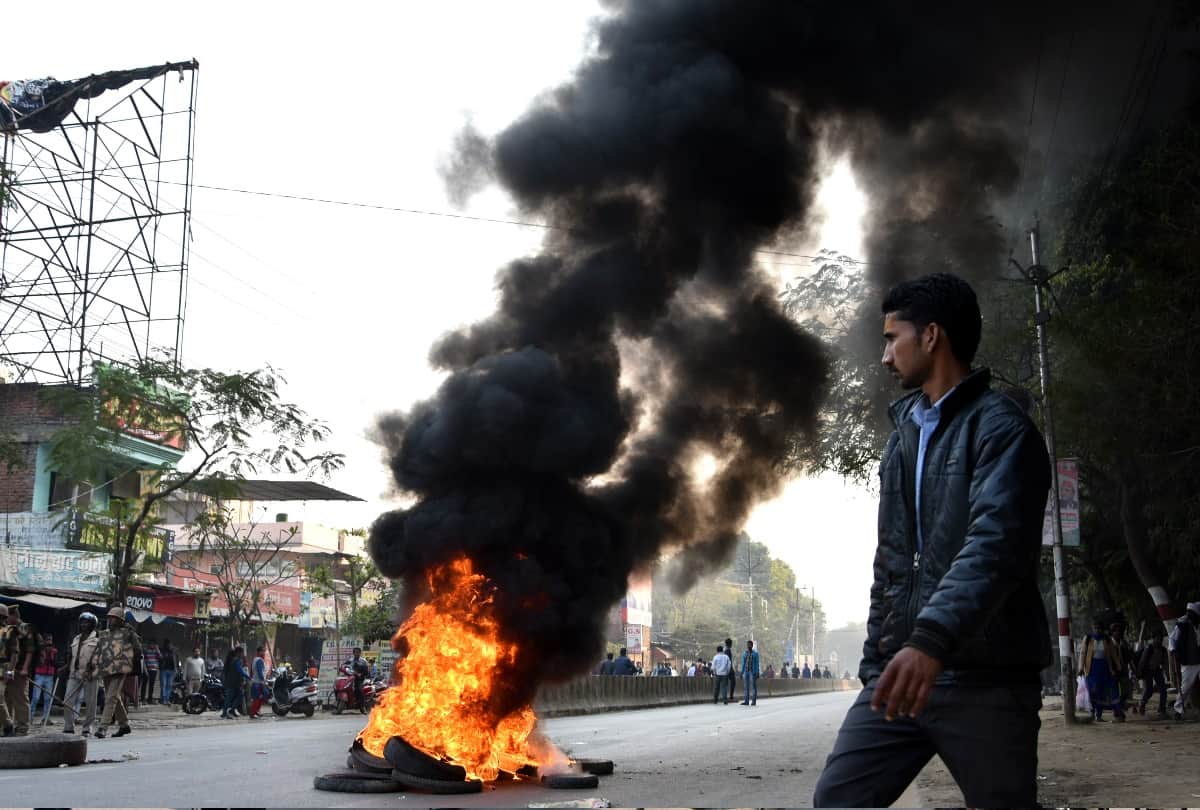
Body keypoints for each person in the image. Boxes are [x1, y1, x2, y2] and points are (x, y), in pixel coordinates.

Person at [814, 274, 1052, 809]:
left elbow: (996, 548)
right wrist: (879, 659)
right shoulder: (902, 440)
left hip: (986, 681)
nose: (884, 357)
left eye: (890, 338)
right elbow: (891, 561)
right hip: (901, 677)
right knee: (839, 800)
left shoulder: (1002, 430)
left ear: (931, 337)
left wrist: (930, 642)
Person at [95, 606, 141, 739]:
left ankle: (103, 727)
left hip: (121, 669)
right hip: (107, 669)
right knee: (114, 697)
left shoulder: (128, 633)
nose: (111, 620)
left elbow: (137, 650)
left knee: (110, 698)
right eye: (110, 618)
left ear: (121, 620)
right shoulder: (104, 633)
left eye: (114, 618)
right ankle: (124, 725)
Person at [62, 612, 101, 736]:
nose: (84, 625)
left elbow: (100, 659)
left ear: (92, 624)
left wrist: (93, 673)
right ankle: (68, 726)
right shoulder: (76, 638)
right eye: (82, 622)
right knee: (67, 700)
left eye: (87, 622)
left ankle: (87, 728)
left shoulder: (98, 639)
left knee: (90, 703)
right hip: (74, 674)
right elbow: (72, 656)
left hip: (90, 675)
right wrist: (65, 667)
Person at [1080, 619, 1125, 721]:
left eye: (1099, 628)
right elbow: (1082, 653)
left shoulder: (1107, 639)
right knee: (1093, 691)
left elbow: (1113, 654)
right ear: (1092, 628)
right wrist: (1080, 668)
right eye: (1095, 628)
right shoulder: (1088, 638)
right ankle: (1092, 713)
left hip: (1105, 668)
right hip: (1091, 669)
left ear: (1102, 629)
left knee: (1106, 691)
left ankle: (1101, 715)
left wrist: (1118, 666)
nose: (1097, 630)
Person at [3, 604, 37, 736]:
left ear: (14, 615)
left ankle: (22, 727)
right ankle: (8, 726)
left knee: (20, 699)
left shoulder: (25, 628)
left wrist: (24, 669)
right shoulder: (7, 628)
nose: (5, 619)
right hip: (6, 669)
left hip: (19, 669)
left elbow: (30, 651)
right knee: (6, 698)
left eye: (7, 616)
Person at [1168, 601, 1200, 721]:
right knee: (1185, 688)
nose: (1188, 615)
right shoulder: (1183, 625)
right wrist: (1174, 651)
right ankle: (1178, 711)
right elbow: (1172, 639)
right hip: (1189, 661)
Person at [1136, 627, 1169, 719]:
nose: (1159, 640)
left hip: (1157, 670)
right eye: (1157, 638)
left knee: (1163, 690)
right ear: (1153, 638)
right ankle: (1142, 703)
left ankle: (1162, 710)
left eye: (1161, 638)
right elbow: (1142, 662)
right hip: (1148, 670)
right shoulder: (1149, 648)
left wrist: (1168, 674)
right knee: (1149, 690)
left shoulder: (1163, 650)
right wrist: (1139, 673)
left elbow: (1165, 663)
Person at [32, 633, 58, 725]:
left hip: (49, 676)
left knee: (47, 698)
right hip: (39, 674)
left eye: (50, 639)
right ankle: (30, 718)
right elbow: (38, 661)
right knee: (35, 697)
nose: (49, 641)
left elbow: (55, 663)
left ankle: (45, 718)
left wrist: (50, 653)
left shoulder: (54, 651)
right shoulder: (39, 649)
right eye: (47, 639)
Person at [221, 646, 248, 719]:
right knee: (230, 697)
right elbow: (240, 671)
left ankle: (230, 710)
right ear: (238, 653)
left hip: (234, 682)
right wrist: (248, 677)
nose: (243, 654)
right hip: (233, 682)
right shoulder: (236, 660)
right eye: (242, 653)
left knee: (238, 695)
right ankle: (227, 712)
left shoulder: (234, 660)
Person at [346, 647, 370, 713]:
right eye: (355, 652)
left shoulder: (363, 661)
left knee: (359, 690)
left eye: (358, 652)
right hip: (350, 677)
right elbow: (344, 666)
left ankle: (362, 707)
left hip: (359, 679)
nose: (357, 653)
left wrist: (360, 675)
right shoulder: (350, 660)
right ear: (353, 653)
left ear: (360, 653)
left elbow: (367, 671)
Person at [248, 646, 268, 719]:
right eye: (263, 651)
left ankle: (256, 711)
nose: (264, 653)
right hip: (258, 682)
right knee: (257, 698)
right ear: (259, 652)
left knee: (260, 698)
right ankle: (252, 713)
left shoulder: (255, 659)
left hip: (255, 681)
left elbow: (251, 671)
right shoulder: (259, 660)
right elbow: (260, 672)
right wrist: (263, 680)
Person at [739, 640, 760, 705]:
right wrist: (741, 672)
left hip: (752, 672)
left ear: (752, 645)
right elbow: (743, 663)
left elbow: (757, 664)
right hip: (746, 672)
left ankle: (753, 701)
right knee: (746, 687)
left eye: (750, 645)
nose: (748, 646)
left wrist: (757, 672)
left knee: (753, 687)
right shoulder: (745, 653)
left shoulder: (755, 654)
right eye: (747, 645)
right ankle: (746, 701)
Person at [158, 640, 177, 706]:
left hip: (172, 670)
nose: (169, 646)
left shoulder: (173, 652)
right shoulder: (162, 651)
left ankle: (167, 699)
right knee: (163, 685)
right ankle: (163, 699)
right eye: (168, 644)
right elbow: (160, 659)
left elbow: (176, 660)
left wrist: (176, 669)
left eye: (170, 644)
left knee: (169, 685)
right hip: (164, 670)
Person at [141, 638, 160, 704]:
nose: (152, 645)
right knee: (144, 684)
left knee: (151, 685)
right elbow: (143, 660)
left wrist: (157, 650)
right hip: (147, 669)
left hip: (154, 670)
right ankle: (143, 699)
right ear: (149, 644)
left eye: (153, 644)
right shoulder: (146, 651)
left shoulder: (156, 651)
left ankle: (150, 699)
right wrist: (145, 669)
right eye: (151, 644)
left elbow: (160, 657)